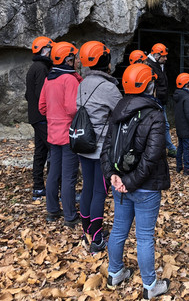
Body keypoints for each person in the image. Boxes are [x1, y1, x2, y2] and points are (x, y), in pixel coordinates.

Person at [101, 63, 171, 299]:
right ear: (150, 85)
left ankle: (115, 273)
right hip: (144, 187)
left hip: (121, 183)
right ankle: (150, 286)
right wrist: (129, 182)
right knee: (144, 237)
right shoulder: (155, 115)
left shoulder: (118, 110)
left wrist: (113, 175)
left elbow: (107, 148)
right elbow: (151, 158)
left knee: (119, 230)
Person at [77, 41, 122, 253]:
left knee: (87, 187)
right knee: (99, 192)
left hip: (83, 144)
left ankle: (87, 229)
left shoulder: (83, 83)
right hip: (101, 149)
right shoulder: (108, 88)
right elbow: (122, 112)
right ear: (105, 61)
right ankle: (96, 239)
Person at [39, 41, 81, 227]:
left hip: (53, 133)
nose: (78, 61)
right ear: (68, 60)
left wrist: (54, 116)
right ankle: (70, 216)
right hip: (68, 134)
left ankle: (52, 210)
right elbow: (73, 109)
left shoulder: (49, 78)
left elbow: (42, 107)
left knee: (53, 173)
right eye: (74, 57)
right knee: (69, 176)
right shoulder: (69, 79)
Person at [25, 36, 53, 201]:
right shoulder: (42, 68)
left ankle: (38, 188)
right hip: (42, 117)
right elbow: (42, 95)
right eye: (50, 50)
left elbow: (28, 95)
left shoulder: (34, 67)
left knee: (40, 152)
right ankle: (52, 188)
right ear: (45, 50)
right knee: (54, 150)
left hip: (36, 117)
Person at [146, 43, 177, 157]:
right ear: (156, 55)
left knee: (164, 125)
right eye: (163, 56)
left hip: (160, 101)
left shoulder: (158, 64)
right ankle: (169, 148)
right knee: (163, 125)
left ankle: (167, 148)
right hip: (155, 101)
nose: (166, 58)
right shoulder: (149, 65)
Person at [173, 73, 189, 176]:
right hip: (187, 129)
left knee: (180, 148)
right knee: (186, 149)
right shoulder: (187, 98)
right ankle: (187, 169)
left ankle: (179, 166)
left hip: (180, 128)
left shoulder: (178, 96)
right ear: (187, 85)